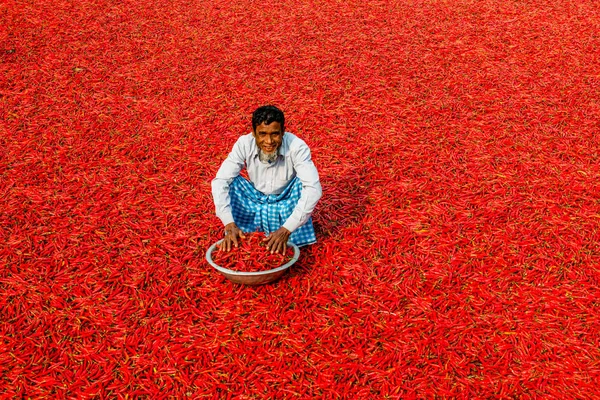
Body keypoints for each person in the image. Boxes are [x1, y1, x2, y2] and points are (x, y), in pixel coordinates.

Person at [211, 105, 322, 254]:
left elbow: (314, 189)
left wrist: (286, 229)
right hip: (255, 199)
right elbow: (220, 181)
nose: (268, 141)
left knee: (304, 184)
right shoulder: (244, 144)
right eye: (262, 134)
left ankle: (289, 235)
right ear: (254, 133)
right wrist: (228, 222)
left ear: (283, 132)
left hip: (286, 200)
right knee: (230, 182)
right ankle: (240, 229)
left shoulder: (297, 147)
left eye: (275, 134)